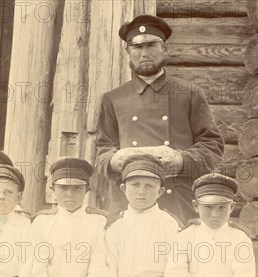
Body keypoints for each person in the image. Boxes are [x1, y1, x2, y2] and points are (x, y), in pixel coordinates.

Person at [94, 14, 223, 225]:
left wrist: (181, 161)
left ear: (164, 49)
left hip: (177, 202)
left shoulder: (189, 93)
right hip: (128, 207)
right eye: (137, 47)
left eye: (151, 45)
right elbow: (102, 152)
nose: (144, 53)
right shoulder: (114, 99)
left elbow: (213, 147)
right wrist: (114, 160)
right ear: (128, 53)